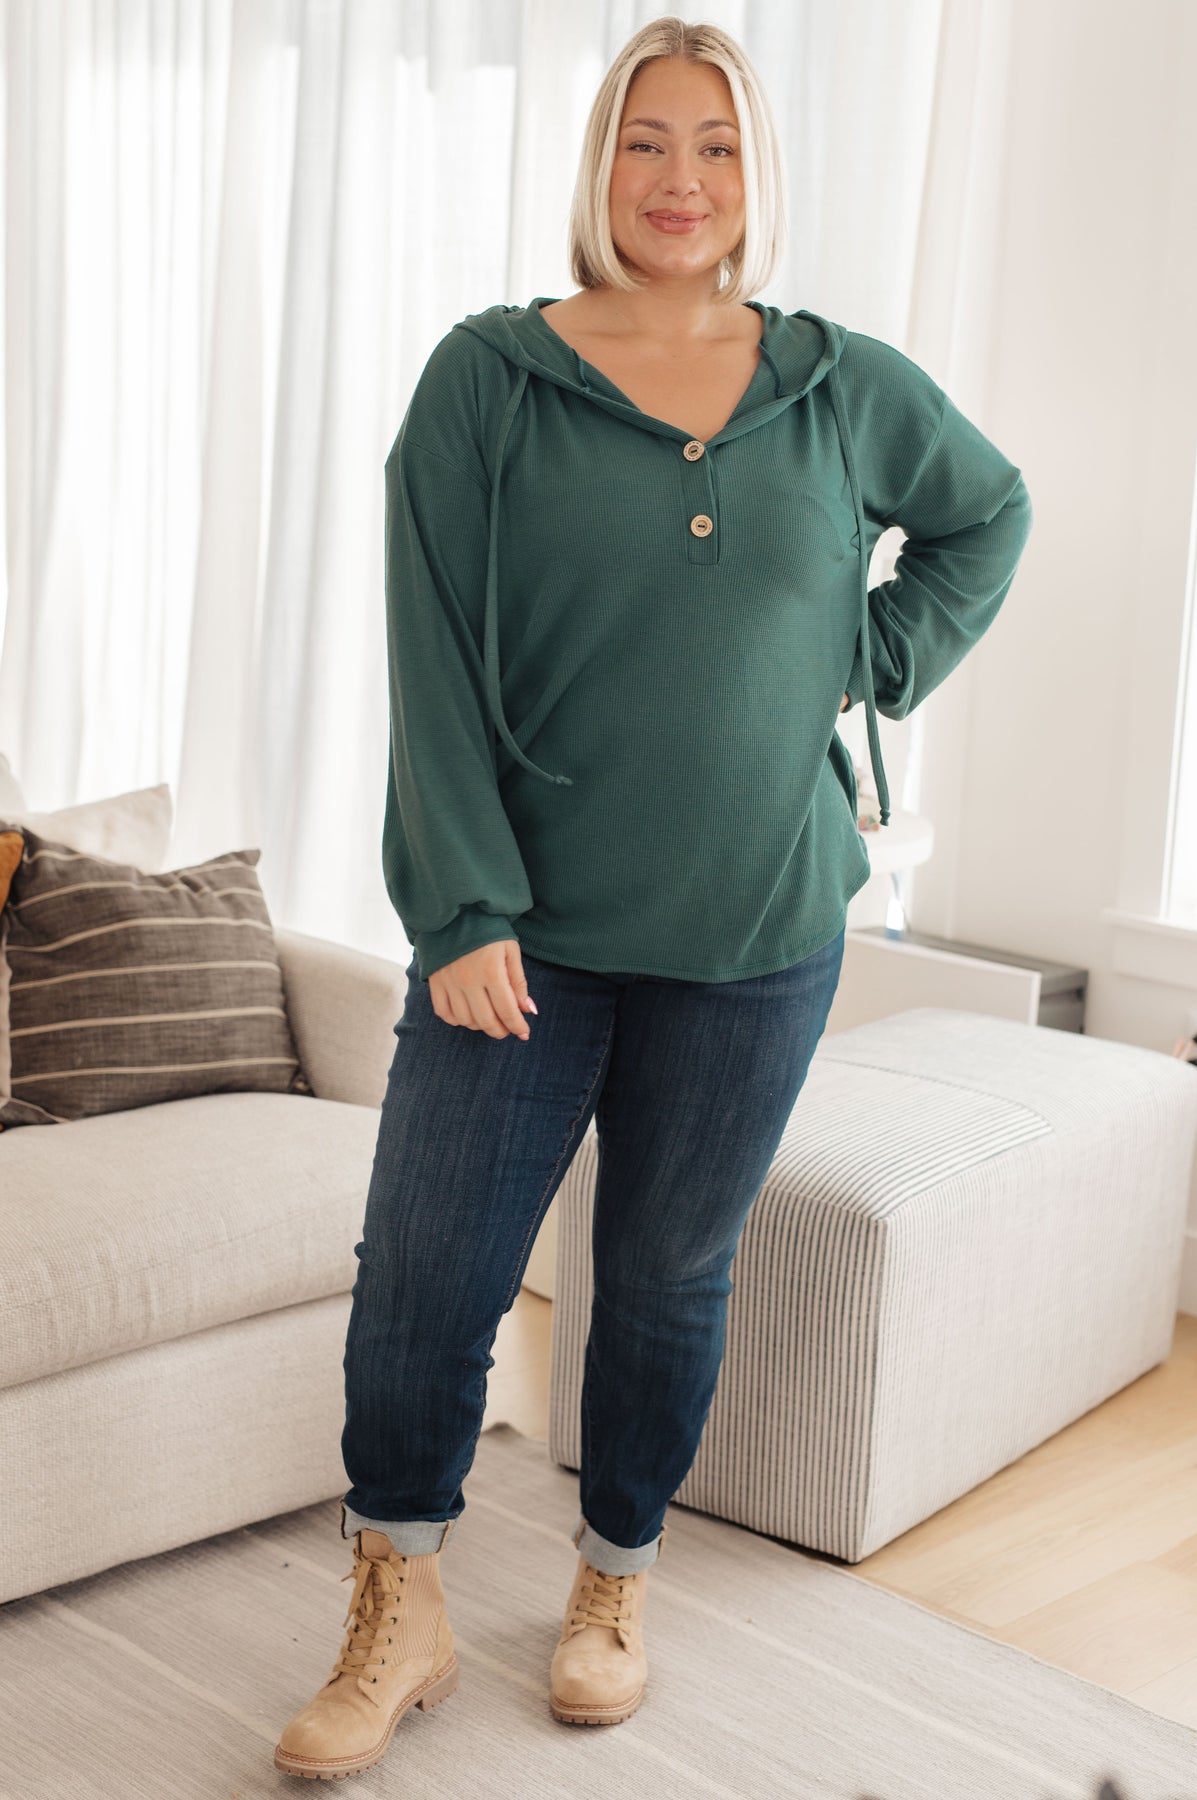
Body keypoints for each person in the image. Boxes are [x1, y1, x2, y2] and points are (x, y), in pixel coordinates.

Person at [274, 12, 1033, 1782]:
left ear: (756, 174)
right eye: (644, 140)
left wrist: (871, 658)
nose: (678, 180)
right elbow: (430, 657)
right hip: (523, 944)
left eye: (714, 145)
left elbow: (984, 515)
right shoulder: (487, 378)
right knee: (426, 1279)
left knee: (669, 1279)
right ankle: (399, 1601)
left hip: (758, 934)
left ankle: (613, 1584)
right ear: (597, 164)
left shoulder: (839, 384)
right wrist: (461, 910)